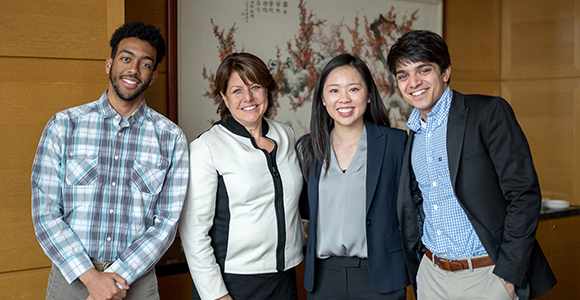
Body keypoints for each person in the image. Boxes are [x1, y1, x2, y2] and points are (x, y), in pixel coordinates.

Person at [387, 30, 557, 300]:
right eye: (403, 75)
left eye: (423, 70)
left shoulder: (487, 113)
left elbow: (523, 195)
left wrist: (509, 275)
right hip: (432, 277)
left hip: (486, 275)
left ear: (445, 72)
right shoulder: (413, 135)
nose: (413, 83)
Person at [31, 21, 189, 300]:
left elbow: (166, 222)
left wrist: (118, 279)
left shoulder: (171, 138)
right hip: (73, 279)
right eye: (126, 58)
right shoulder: (64, 125)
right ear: (109, 64)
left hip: (136, 282)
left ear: (152, 76)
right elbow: (45, 212)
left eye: (145, 64)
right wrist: (91, 278)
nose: (133, 69)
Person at [179, 52, 304, 300]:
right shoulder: (207, 147)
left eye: (255, 87)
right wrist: (216, 294)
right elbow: (193, 232)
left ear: (267, 89)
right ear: (224, 97)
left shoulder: (285, 134)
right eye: (237, 90)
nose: (248, 98)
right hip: (233, 282)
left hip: (285, 277)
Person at [296, 53, 410, 300]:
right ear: (323, 100)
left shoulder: (395, 143)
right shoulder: (311, 149)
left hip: (380, 276)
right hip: (324, 277)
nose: (344, 99)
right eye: (334, 90)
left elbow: (412, 209)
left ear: (368, 95)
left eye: (354, 89)